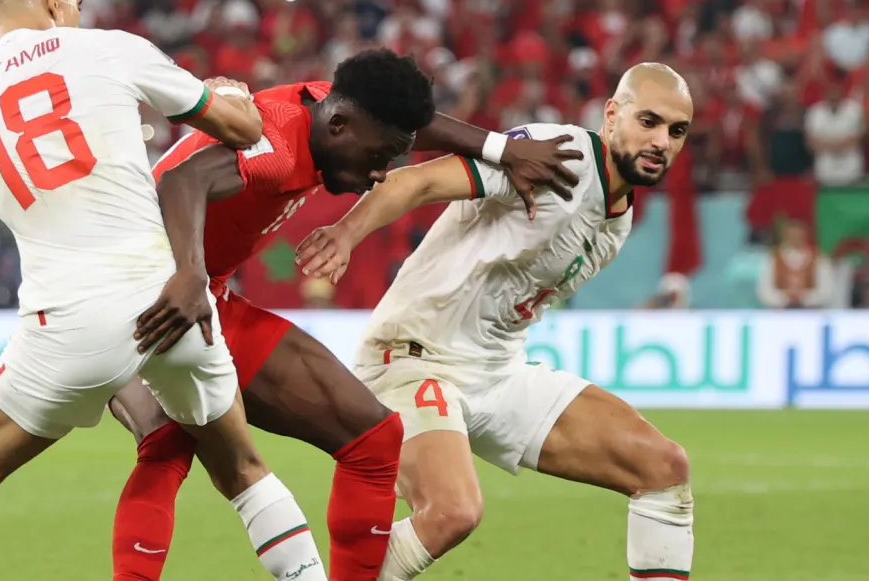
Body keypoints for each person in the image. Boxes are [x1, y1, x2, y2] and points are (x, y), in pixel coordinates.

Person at [0, 0, 326, 581]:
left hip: (68, 320)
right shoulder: (110, 49)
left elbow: (9, 206)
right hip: (171, 300)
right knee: (242, 468)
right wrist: (228, 95)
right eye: (75, 0)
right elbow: (245, 133)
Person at [110, 51, 587, 581]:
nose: (382, 173)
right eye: (379, 156)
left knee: (374, 437)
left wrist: (504, 149)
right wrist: (189, 276)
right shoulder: (277, 144)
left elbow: (414, 125)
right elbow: (181, 179)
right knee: (167, 443)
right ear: (339, 126)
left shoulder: (333, 108)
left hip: (200, 292)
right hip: (141, 291)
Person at [294, 63, 697, 581]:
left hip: (498, 372)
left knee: (663, 467)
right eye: (649, 121)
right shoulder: (559, 154)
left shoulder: (619, 219)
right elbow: (417, 181)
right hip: (414, 357)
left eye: (677, 131)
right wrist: (346, 233)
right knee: (452, 512)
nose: (662, 141)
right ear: (612, 115)